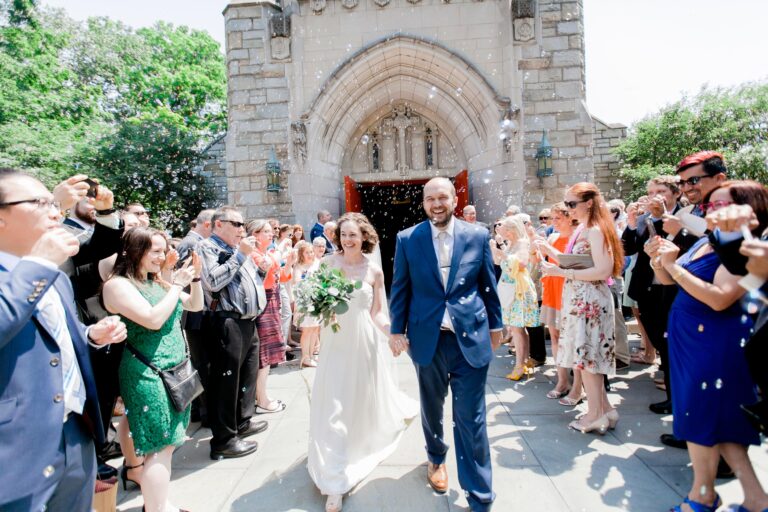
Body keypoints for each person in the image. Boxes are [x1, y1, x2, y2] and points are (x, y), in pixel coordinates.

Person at [0, 168, 127, 511]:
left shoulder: (54, 273)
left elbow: (48, 336)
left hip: (75, 433)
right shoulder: (42, 268)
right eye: (41, 202)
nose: (56, 210)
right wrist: (39, 263)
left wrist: (89, 336)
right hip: (15, 451)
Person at [645, 180, 768, 512]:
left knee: (699, 418)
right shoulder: (706, 241)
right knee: (720, 422)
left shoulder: (745, 248)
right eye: (709, 206)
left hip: (714, 342)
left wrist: (671, 266)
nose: (711, 211)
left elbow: (719, 299)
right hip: (690, 341)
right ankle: (757, 500)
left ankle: (702, 496)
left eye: (721, 205)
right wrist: (660, 260)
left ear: (749, 208)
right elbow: (672, 279)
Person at [389, 177, 504, 512]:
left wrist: (496, 325)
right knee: (432, 406)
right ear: (423, 203)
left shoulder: (477, 235)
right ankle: (436, 458)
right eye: (430, 199)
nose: (436, 204)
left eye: (442, 197)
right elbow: (401, 288)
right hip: (428, 340)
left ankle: (479, 493)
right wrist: (397, 329)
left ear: (455, 199)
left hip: (470, 338)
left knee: (472, 416)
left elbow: (488, 285)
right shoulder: (408, 239)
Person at [307, 213, 417, 512]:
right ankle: (334, 480)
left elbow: (377, 313)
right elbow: (312, 302)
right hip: (335, 344)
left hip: (364, 344)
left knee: (357, 401)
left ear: (364, 236)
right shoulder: (328, 265)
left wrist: (393, 335)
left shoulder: (374, 271)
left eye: (353, 235)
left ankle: (354, 446)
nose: (348, 240)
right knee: (334, 405)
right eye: (343, 235)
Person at [101, 228, 204, 512]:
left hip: (174, 371)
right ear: (134, 251)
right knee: (160, 448)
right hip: (148, 374)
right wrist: (175, 285)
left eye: (164, 249)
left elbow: (195, 305)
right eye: (156, 251)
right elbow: (152, 320)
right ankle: (156, 508)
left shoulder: (155, 282)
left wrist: (193, 278)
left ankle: (158, 502)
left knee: (164, 444)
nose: (164, 256)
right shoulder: (117, 285)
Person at [538, 182, 624, 434]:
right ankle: (606, 410)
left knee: (588, 358)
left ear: (589, 203)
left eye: (572, 204)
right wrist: (551, 253)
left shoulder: (596, 230)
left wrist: (561, 272)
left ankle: (594, 415)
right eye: (566, 203)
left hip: (590, 300)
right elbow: (578, 261)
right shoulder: (585, 228)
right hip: (580, 299)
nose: (568, 209)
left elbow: (603, 270)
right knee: (587, 357)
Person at [198, 206, 269, 459]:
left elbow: (248, 282)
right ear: (218, 224)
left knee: (247, 376)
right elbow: (213, 282)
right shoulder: (208, 247)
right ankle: (224, 440)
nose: (242, 229)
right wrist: (241, 255)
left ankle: (242, 422)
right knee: (225, 382)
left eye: (243, 224)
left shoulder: (238, 250)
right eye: (236, 224)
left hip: (248, 322)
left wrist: (261, 267)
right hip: (226, 321)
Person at [622, 176, 683, 414]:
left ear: (675, 193)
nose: (654, 195)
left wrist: (662, 217)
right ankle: (673, 396)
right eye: (650, 191)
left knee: (673, 345)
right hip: (647, 288)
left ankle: (678, 399)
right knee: (661, 342)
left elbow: (679, 243)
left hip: (675, 288)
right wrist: (630, 222)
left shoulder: (684, 218)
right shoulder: (644, 218)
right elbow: (628, 248)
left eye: (660, 191)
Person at [247, 219, 294, 413]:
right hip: (263, 304)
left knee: (267, 353)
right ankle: (261, 399)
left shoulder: (267, 253)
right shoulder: (254, 254)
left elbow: (281, 277)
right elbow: (266, 271)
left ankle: (261, 396)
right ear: (255, 235)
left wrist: (289, 263)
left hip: (272, 301)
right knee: (263, 354)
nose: (271, 234)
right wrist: (281, 250)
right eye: (265, 231)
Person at [176, 208, 215, 425]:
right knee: (202, 363)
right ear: (208, 224)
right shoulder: (191, 243)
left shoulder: (196, 242)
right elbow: (184, 277)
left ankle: (203, 410)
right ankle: (204, 412)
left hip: (199, 309)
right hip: (194, 312)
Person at [491, 215, 539, 381]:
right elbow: (498, 262)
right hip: (509, 289)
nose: (501, 232)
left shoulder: (523, 243)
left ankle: (520, 365)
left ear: (511, 231)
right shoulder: (511, 243)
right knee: (518, 328)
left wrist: (501, 253)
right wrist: (496, 250)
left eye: (503, 230)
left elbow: (521, 264)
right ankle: (523, 362)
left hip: (518, 290)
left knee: (517, 329)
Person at [539, 202, 577, 399]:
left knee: (572, 338)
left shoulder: (577, 237)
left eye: (557, 218)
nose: (554, 222)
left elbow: (573, 264)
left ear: (570, 217)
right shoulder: (552, 237)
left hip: (569, 291)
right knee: (554, 336)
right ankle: (562, 380)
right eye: (552, 218)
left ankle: (578, 384)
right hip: (552, 289)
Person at [291, 241, 321, 367]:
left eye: (311, 252)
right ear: (301, 254)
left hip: (317, 300)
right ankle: (305, 356)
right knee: (307, 330)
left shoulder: (317, 264)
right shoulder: (299, 267)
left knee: (315, 328)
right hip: (305, 301)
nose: (310, 254)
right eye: (307, 252)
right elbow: (297, 282)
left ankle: (312, 355)